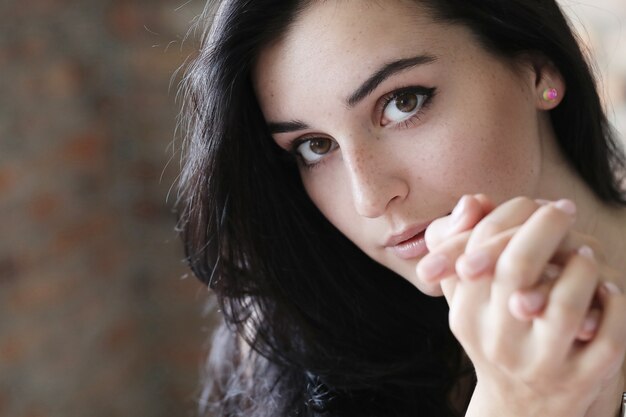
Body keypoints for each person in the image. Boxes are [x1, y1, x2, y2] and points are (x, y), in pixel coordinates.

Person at [176, 0, 626, 416]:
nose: (368, 199)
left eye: (402, 103)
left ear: (538, 70)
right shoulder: (293, 351)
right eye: (315, 147)